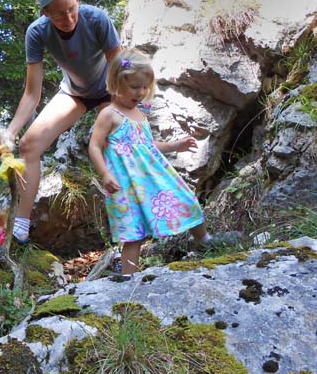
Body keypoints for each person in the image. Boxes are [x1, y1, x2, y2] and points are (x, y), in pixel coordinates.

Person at [88, 48, 238, 276]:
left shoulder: (140, 114)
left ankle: (204, 239)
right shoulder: (109, 115)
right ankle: (128, 277)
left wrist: (175, 145)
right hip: (125, 184)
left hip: (153, 177)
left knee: (186, 199)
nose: (141, 92)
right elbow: (95, 146)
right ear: (117, 84)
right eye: (134, 87)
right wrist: (105, 174)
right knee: (133, 231)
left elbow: (148, 145)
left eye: (144, 86)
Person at [4, 0, 122, 244]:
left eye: (72, 9)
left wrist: (125, 108)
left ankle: (126, 229)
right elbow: (32, 93)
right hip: (75, 92)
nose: (68, 18)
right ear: (45, 13)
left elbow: (119, 67)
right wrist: (10, 133)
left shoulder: (96, 19)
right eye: (59, 14)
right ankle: (20, 225)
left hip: (110, 89)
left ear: (77, 1)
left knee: (114, 147)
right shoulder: (37, 33)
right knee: (28, 146)